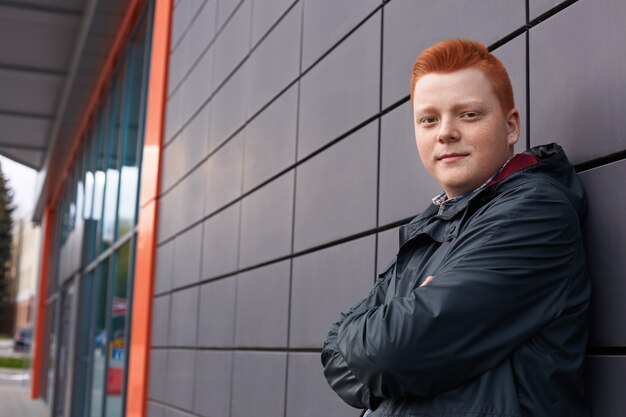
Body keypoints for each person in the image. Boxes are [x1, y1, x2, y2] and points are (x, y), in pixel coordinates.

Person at [321, 39, 591, 417]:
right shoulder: (432, 226)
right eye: (429, 119)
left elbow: (394, 353)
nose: (445, 132)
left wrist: (388, 353)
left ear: (511, 126)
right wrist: (389, 355)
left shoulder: (534, 211)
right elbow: (333, 350)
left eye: (468, 114)